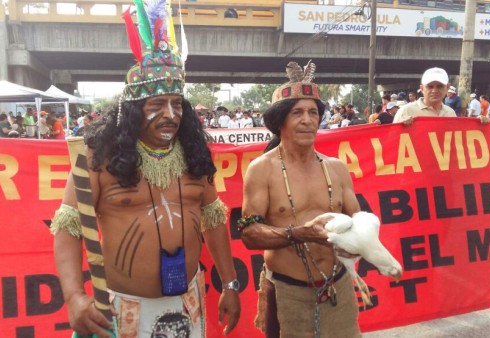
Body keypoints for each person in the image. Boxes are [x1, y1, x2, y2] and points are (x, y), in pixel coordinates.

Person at [51, 6, 240, 337]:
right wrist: (74, 296)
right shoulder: (99, 158)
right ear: (134, 110)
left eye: (177, 104)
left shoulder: (195, 157)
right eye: (156, 105)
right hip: (122, 310)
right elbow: (68, 229)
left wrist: (230, 283)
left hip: (188, 305)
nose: (170, 114)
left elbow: (213, 221)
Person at [240, 60, 362, 338]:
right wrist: (300, 233)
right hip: (287, 292)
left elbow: (358, 222)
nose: (307, 120)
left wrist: (359, 243)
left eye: (312, 112)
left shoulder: (337, 168)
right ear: (280, 121)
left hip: (338, 288)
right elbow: (249, 233)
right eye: (297, 113)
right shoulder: (262, 169)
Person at [394, 67, 489, 126]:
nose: (435, 91)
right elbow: (391, 144)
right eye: (430, 86)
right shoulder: (406, 111)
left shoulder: (450, 113)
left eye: (439, 86)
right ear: (422, 88)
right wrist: (400, 127)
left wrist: (477, 125)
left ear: (447, 88)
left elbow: (458, 138)